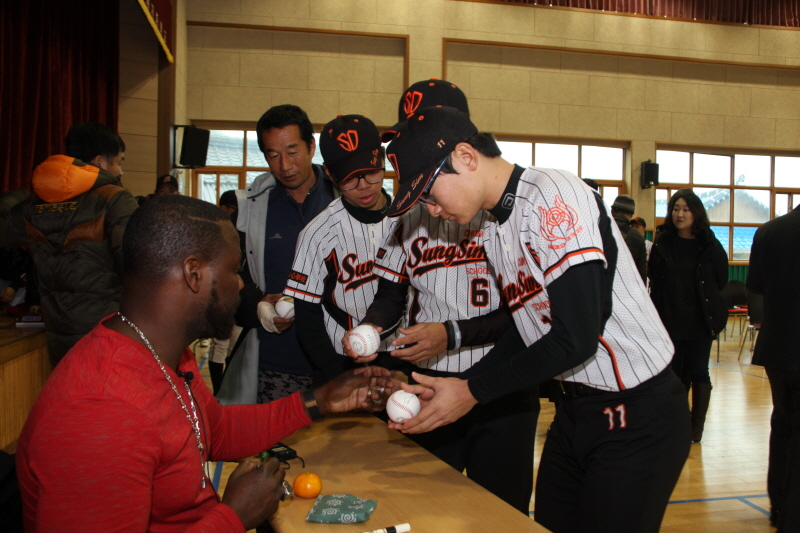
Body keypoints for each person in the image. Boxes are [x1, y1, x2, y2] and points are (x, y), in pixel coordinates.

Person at [378, 106, 689, 533]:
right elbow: (529, 331)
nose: (431, 211)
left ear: (466, 157)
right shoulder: (491, 225)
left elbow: (575, 338)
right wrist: (461, 385)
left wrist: (472, 391)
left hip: (637, 414)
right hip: (575, 411)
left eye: (430, 194)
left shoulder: (552, 194)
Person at [16, 194, 391, 532]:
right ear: (194, 274)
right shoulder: (101, 412)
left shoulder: (164, 353)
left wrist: (319, 401)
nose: (241, 285)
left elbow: (216, 431)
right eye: (233, 270)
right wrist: (233, 517)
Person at [342, 80, 537, 514]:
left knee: (501, 517)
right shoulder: (413, 211)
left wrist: (453, 333)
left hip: (502, 385)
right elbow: (390, 296)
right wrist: (371, 327)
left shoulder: (507, 206)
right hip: (429, 383)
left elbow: (530, 315)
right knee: (427, 511)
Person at [216, 104, 336, 405]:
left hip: (338, 363)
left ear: (311, 146)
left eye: (292, 151)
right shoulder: (250, 211)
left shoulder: (342, 200)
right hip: (274, 366)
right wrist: (258, 304)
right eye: (273, 155)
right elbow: (230, 279)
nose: (284, 166)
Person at [8, 122, 138, 365]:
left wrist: (19, 196)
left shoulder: (34, 204)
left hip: (58, 331)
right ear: (100, 162)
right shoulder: (114, 198)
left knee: (71, 398)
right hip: (109, 331)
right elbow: (133, 267)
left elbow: (6, 231)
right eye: (119, 162)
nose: (120, 171)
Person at [285, 114, 400, 381]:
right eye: (350, 178)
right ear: (329, 173)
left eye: (371, 172)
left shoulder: (409, 218)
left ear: (382, 160)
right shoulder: (317, 233)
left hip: (401, 356)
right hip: (340, 360)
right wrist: (337, 375)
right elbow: (307, 318)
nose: (363, 186)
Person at [648, 188, 728, 443]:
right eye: (675, 208)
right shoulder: (663, 242)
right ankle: (677, 424)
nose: (679, 214)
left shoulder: (710, 244)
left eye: (685, 209)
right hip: (670, 319)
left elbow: (720, 279)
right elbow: (654, 278)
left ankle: (696, 428)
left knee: (699, 372)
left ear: (696, 213)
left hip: (700, 320)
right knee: (673, 374)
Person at [746, 202, 800, 532]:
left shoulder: (769, 231)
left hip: (778, 346)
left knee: (782, 423)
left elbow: (756, 286)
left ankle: (778, 505)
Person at [208, 189, 243, 394]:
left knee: (235, 343)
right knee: (220, 343)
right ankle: (218, 390)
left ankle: (228, 390)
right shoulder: (216, 230)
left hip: (239, 294)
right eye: (233, 209)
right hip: (221, 294)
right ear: (223, 208)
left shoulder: (240, 229)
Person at [610, 194, 647, 282]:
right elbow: (641, 272)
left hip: (602, 287)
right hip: (627, 287)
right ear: (631, 215)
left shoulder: (600, 230)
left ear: (612, 211)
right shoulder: (637, 237)